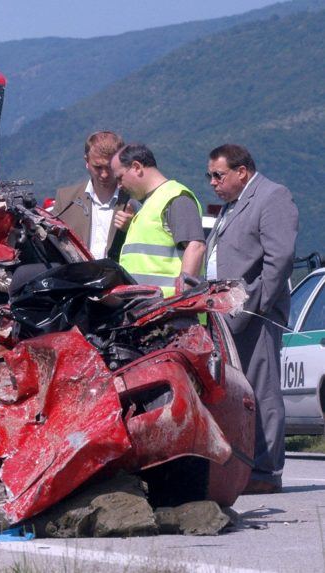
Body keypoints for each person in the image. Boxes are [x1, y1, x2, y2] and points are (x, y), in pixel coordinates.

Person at [205, 143, 297, 494]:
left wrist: (256, 303)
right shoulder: (233, 204)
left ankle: (267, 471)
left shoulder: (273, 196)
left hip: (254, 313)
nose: (212, 182)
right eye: (209, 175)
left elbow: (280, 257)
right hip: (226, 312)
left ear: (241, 171)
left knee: (262, 391)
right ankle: (244, 467)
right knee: (239, 393)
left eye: (218, 175)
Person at [111, 144, 206, 297]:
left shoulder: (176, 197)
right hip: (146, 310)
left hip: (169, 313)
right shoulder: (149, 203)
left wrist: (182, 301)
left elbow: (196, 247)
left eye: (120, 177)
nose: (119, 185)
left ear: (136, 167)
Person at [52, 131, 134, 261]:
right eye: (98, 167)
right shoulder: (66, 199)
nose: (104, 174)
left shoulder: (134, 200)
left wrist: (133, 229)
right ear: (87, 161)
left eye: (109, 167)